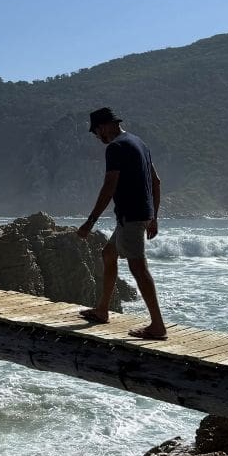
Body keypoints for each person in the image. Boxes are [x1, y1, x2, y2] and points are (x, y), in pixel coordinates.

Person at [76, 106, 167, 340]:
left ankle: (157, 325)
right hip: (139, 215)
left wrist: (90, 221)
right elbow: (156, 182)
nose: (97, 137)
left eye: (96, 132)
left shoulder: (115, 148)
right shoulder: (139, 143)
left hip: (131, 216)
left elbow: (109, 187)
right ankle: (102, 310)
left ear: (104, 126)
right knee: (108, 254)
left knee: (138, 268)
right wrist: (153, 216)